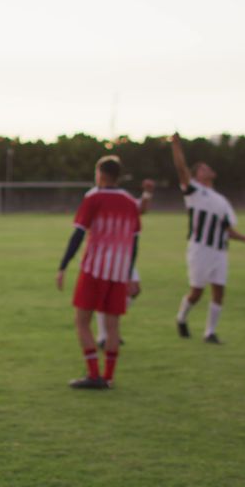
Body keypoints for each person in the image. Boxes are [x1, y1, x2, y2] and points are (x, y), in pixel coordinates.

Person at [56, 156, 142, 389]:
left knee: (82, 321)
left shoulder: (93, 197)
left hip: (94, 269)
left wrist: (63, 266)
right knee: (113, 326)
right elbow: (134, 243)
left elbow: (78, 235)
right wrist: (129, 275)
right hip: (118, 272)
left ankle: (94, 374)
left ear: (101, 175)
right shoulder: (131, 202)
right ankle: (109, 377)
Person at [169, 134, 245, 345]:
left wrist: (244, 238)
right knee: (197, 292)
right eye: (203, 168)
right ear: (197, 175)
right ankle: (181, 318)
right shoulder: (194, 191)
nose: (208, 169)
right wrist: (176, 146)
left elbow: (227, 229)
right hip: (200, 249)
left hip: (219, 251)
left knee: (219, 290)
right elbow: (181, 169)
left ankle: (210, 333)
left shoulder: (222, 200)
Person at [96, 179, 154, 349]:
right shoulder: (96, 196)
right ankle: (103, 336)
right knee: (107, 293)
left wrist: (147, 193)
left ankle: (109, 326)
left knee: (134, 290)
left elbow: (141, 209)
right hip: (106, 253)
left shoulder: (124, 198)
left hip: (125, 253)